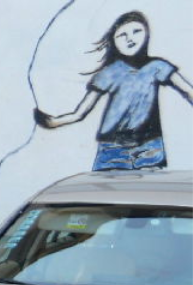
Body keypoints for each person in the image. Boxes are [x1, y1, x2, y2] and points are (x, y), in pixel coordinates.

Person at [36, 10, 192, 171]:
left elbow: (188, 91)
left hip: (150, 143)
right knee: (110, 185)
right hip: (112, 145)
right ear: (113, 41)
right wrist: (53, 122)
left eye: (137, 31)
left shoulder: (158, 66)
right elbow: (80, 113)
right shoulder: (109, 72)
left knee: (150, 185)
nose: (130, 38)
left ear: (147, 33)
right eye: (122, 35)